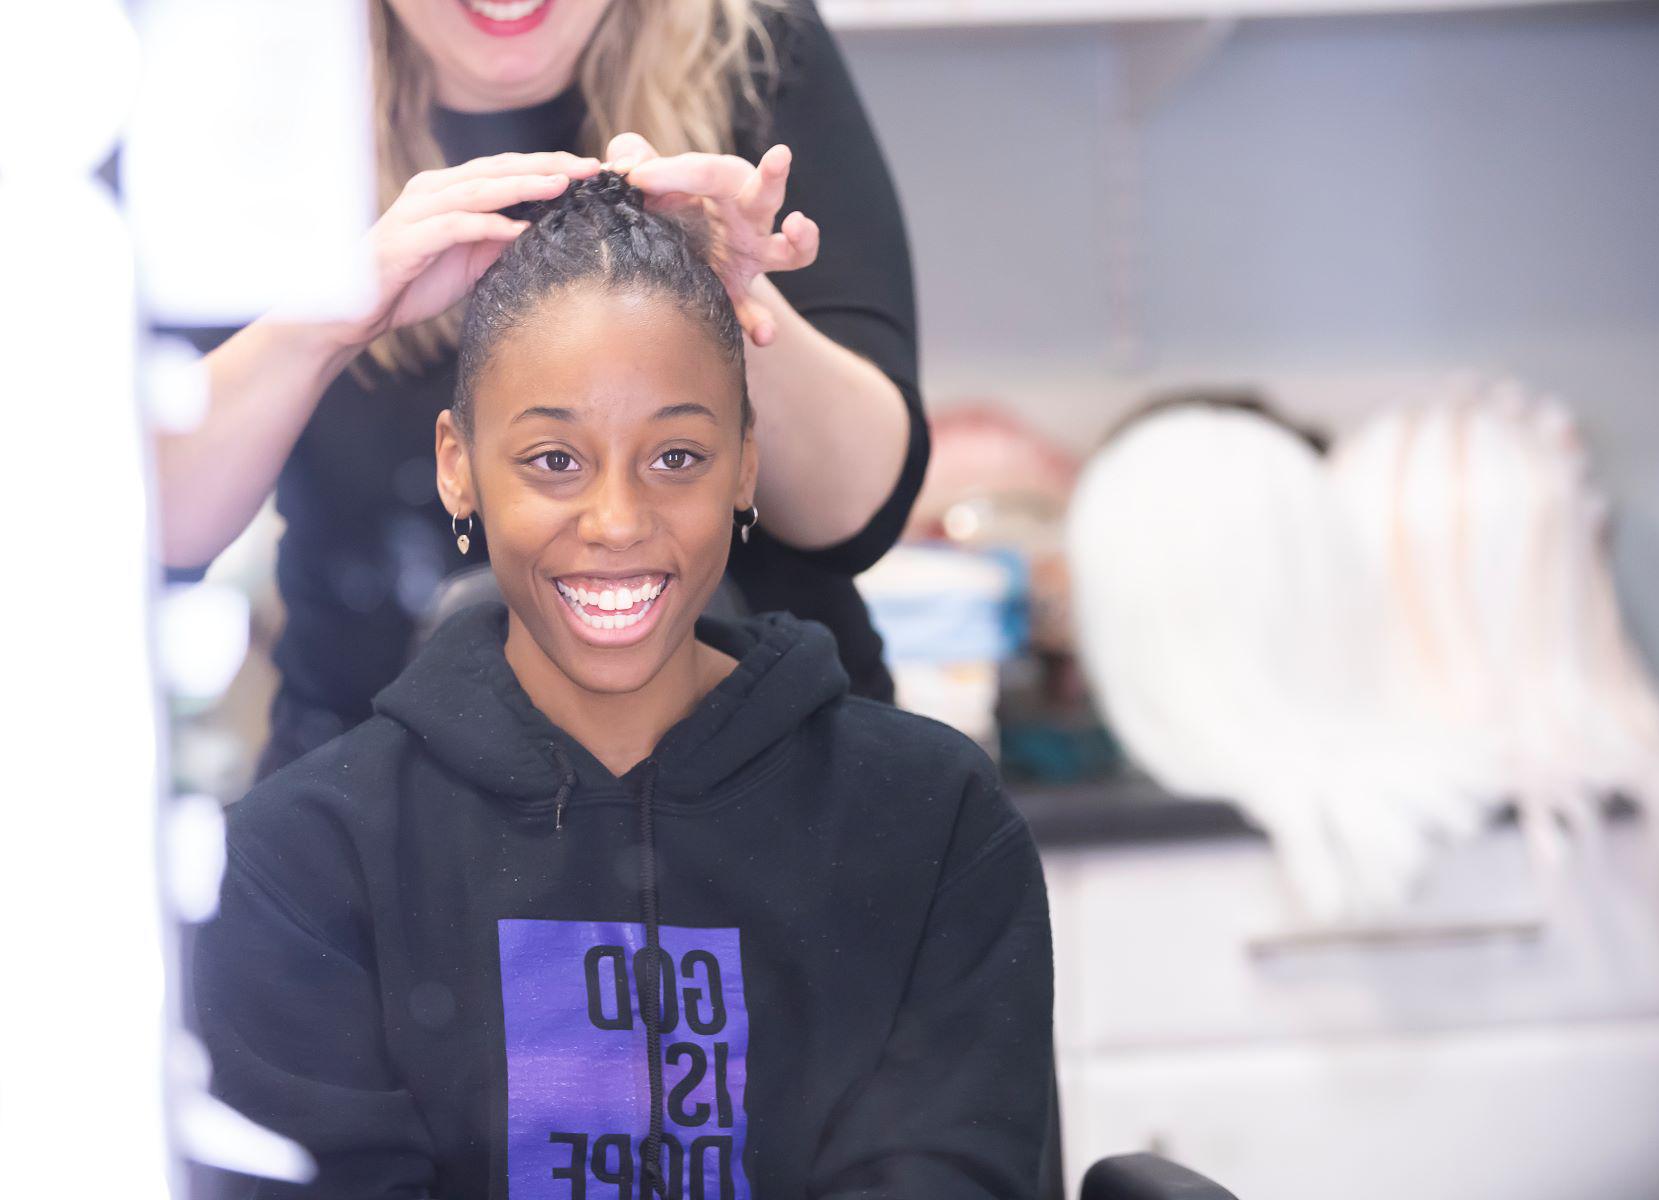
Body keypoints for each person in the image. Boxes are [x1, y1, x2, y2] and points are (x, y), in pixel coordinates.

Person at [189, 173, 1052, 1198]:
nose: (615, 520)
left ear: (744, 468)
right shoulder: (304, 864)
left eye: (677, 455)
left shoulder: (929, 822)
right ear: (460, 470)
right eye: (555, 458)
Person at [156, 0, 925, 777]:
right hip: (367, 814)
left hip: (783, 802)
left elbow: (855, 515)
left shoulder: (749, 42)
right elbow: (155, 530)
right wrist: (325, 321)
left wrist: (733, 298)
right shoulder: (257, 82)